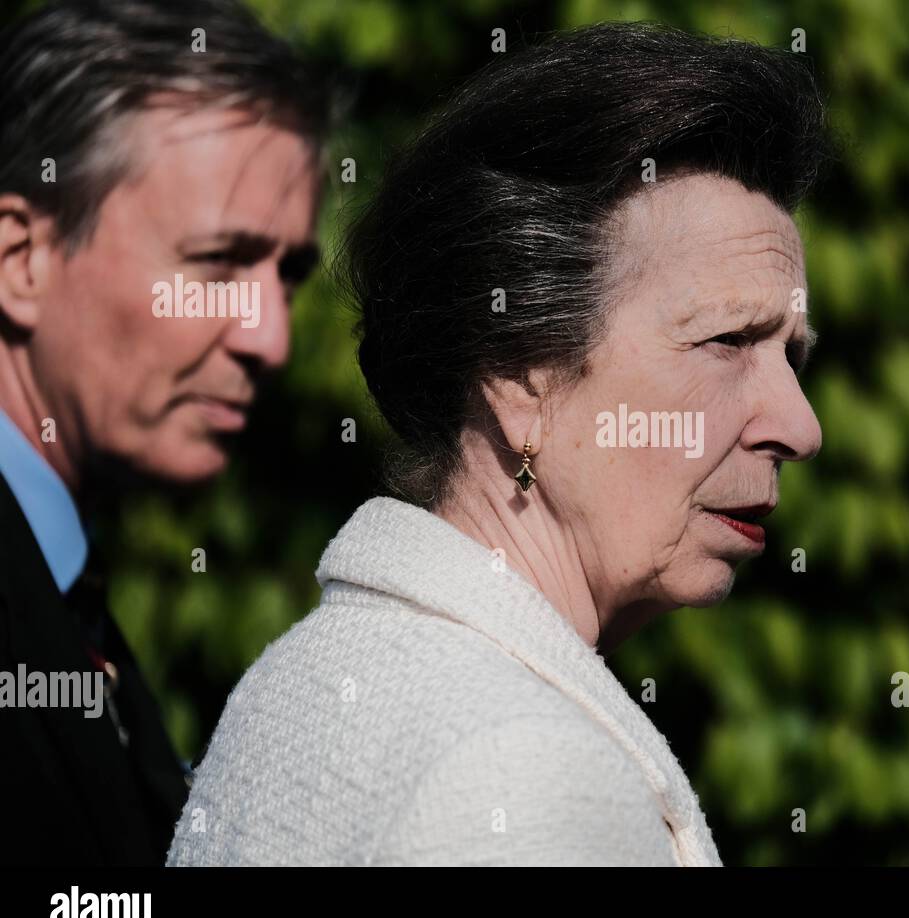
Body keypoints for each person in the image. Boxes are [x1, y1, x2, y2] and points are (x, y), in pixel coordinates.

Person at [167, 20, 832, 866]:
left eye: (793, 355)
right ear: (523, 375)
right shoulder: (522, 774)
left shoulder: (297, 683)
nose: (802, 426)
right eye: (729, 341)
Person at [0, 0, 326, 865]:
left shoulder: (66, 595)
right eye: (218, 261)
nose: (271, 336)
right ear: (19, 261)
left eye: (286, 274)